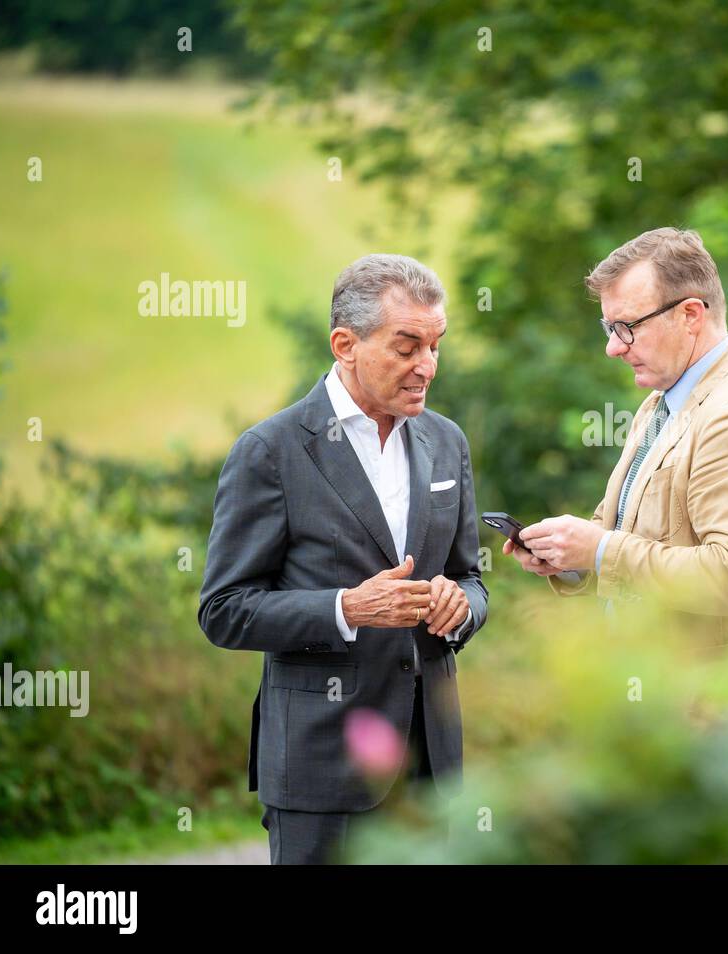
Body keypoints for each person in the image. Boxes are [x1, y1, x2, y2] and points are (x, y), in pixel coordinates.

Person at [198, 253, 488, 863]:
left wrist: (460, 606)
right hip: (320, 767)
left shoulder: (447, 441)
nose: (427, 367)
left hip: (431, 768)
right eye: (407, 347)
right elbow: (224, 610)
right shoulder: (269, 451)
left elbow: (471, 576)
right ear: (344, 344)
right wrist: (348, 608)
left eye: (436, 346)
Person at [506, 228, 728, 764]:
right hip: (664, 724)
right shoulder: (663, 402)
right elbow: (630, 535)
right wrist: (569, 559)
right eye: (609, 328)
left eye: (627, 327)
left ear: (691, 315)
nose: (612, 347)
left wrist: (599, 552)